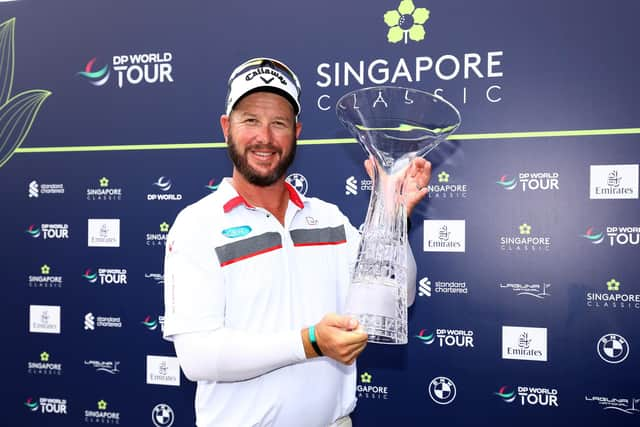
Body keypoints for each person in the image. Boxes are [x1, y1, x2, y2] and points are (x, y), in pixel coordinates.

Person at [162, 57, 432, 427]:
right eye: (250, 120)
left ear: (297, 131)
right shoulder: (197, 225)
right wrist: (309, 342)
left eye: (279, 123)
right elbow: (197, 357)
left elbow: (396, 298)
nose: (265, 137)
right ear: (227, 128)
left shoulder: (329, 218)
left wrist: (392, 216)